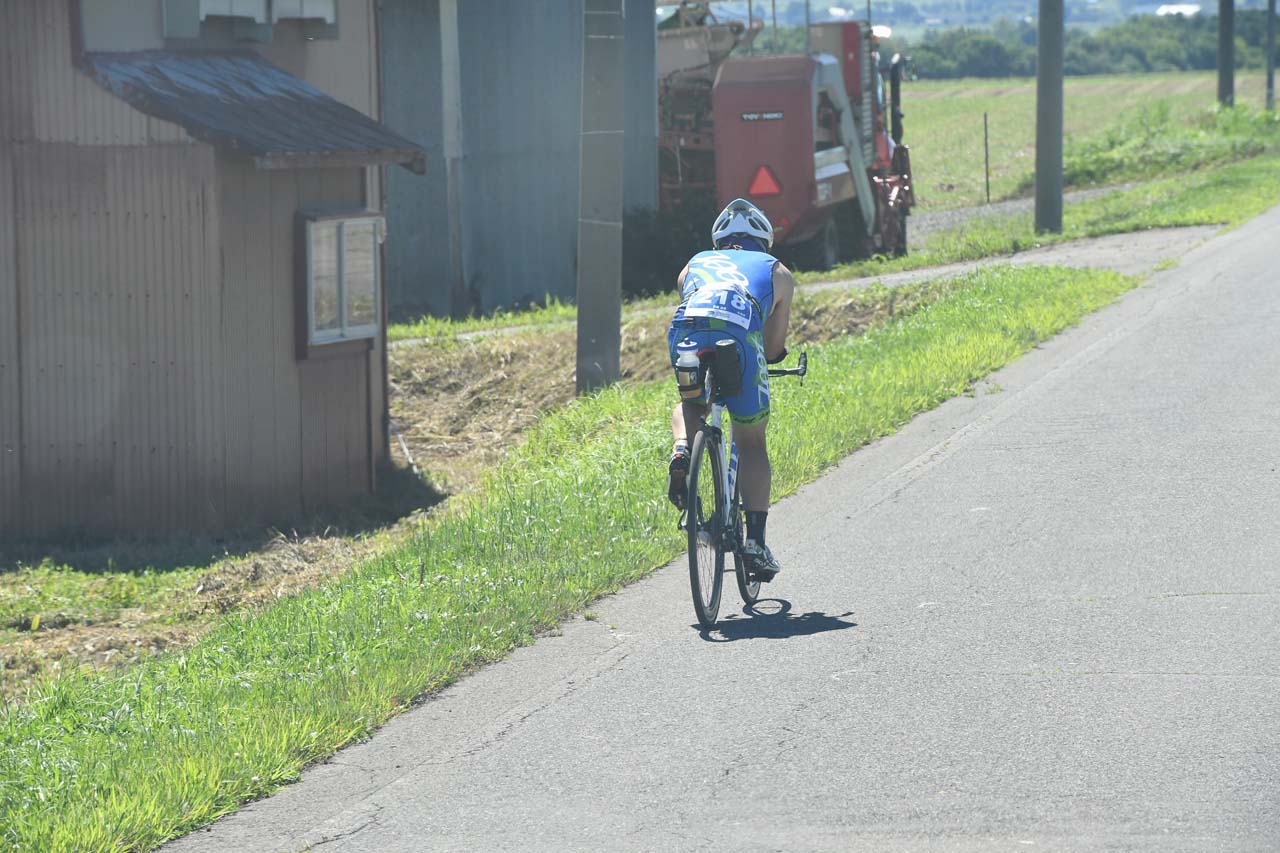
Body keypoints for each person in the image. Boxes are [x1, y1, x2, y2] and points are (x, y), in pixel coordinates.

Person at [666, 198, 795, 580]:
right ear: (765, 241)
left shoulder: (693, 264)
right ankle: (754, 544)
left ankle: (682, 449)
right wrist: (771, 357)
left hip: (686, 329)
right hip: (738, 333)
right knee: (751, 440)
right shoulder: (777, 271)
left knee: (692, 402)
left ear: (718, 242)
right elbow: (772, 347)